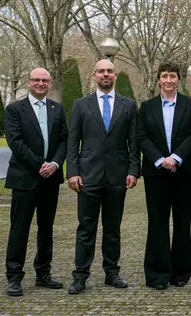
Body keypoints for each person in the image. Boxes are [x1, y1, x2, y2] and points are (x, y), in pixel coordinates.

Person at [66, 59, 140, 294]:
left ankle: (112, 272)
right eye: (101, 71)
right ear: (94, 75)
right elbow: (72, 141)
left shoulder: (128, 105)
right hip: (88, 176)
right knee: (86, 228)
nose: (105, 75)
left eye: (109, 71)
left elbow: (134, 142)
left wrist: (133, 170)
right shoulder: (80, 104)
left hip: (117, 176)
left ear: (115, 75)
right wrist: (73, 172)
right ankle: (80, 276)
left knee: (112, 228)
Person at [3, 68, 68, 296]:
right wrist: (40, 164)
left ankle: (43, 273)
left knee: (46, 228)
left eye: (45, 80)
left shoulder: (57, 109)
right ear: (28, 82)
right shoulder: (14, 110)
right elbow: (15, 142)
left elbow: (63, 140)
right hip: (24, 178)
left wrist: (55, 165)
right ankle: (14, 276)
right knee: (19, 229)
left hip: (50, 179)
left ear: (49, 83)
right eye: (36, 80)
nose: (40, 83)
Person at [137, 63, 191, 290]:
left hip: (186, 172)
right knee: (157, 222)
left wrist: (175, 158)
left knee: (182, 222)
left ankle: (181, 272)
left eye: (172, 76)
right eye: (164, 76)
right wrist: (160, 160)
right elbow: (141, 136)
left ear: (179, 79)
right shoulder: (147, 106)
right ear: (158, 79)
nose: (168, 80)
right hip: (156, 173)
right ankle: (157, 274)